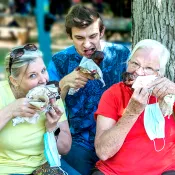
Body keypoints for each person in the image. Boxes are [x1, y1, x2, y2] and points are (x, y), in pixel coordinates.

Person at [48, 4, 130, 175]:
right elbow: (47, 107)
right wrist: (63, 85)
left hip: (117, 138)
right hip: (79, 141)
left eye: (93, 36)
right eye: (79, 38)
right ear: (69, 36)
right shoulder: (59, 62)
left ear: (102, 32)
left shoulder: (122, 55)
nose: (87, 44)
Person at [93, 39, 175, 175]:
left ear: (159, 74)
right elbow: (103, 152)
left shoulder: (169, 94)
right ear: (127, 63)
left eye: (148, 68)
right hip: (113, 172)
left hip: (163, 171)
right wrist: (131, 112)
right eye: (135, 63)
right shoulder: (113, 94)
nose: (139, 72)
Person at [0, 43, 72, 175]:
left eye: (43, 71)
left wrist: (53, 128)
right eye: (33, 75)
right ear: (14, 81)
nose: (43, 80)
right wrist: (10, 111)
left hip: (45, 167)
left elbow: (65, 148)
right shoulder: (2, 94)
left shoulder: (51, 96)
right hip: (8, 169)